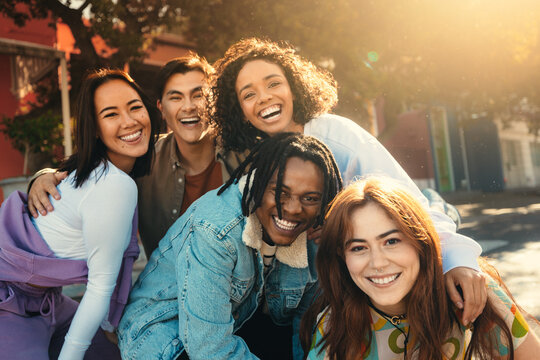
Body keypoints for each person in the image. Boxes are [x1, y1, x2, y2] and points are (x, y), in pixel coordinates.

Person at [210, 37, 485, 326]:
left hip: (392, 244)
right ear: (240, 110)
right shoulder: (261, 157)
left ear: (293, 87)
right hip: (338, 280)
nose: (264, 97)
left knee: (436, 205)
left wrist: (457, 261)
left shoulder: (337, 137)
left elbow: (413, 205)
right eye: (248, 94)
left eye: (273, 83)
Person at [117, 133, 343, 360]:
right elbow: (208, 349)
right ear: (258, 183)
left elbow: (305, 332)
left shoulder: (314, 236)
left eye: (310, 198)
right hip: (165, 339)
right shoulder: (215, 229)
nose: (293, 209)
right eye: (280, 192)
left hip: (237, 326)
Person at [0, 69, 160, 359]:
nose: (129, 121)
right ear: (95, 128)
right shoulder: (112, 184)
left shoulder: (101, 172)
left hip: (47, 301)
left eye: (135, 107)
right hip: (6, 303)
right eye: (111, 114)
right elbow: (100, 288)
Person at [26, 54, 244, 257]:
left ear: (215, 101)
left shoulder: (243, 156)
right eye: (176, 97)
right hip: (164, 289)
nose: (189, 106)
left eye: (198, 95)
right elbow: (93, 166)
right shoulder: (143, 158)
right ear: (161, 108)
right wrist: (45, 176)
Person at [300, 177, 540, 359]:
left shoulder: (472, 291)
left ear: (420, 241)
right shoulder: (335, 326)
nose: (378, 262)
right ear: (342, 257)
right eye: (358, 248)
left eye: (391, 241)